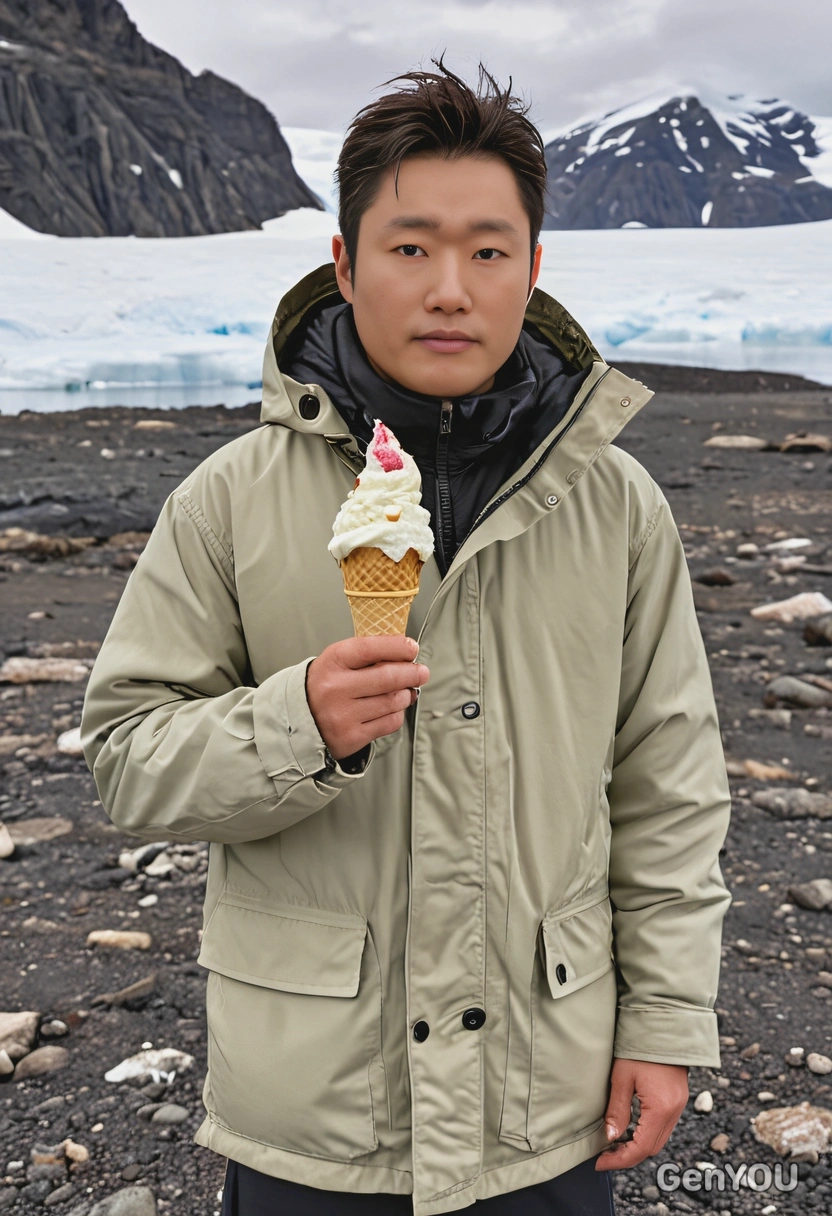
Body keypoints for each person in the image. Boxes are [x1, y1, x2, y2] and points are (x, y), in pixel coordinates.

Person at [80, 59, 732, 1216]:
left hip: (544, 1094)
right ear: (344, 264)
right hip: (315, 1112)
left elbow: (667, 782)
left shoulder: (616, 505)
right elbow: (126, 758)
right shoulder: (228, 499)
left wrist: (667, 1021)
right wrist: (298, 725)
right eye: (410, 246)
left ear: (532, 268)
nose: (449, 289)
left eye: (487, 251)